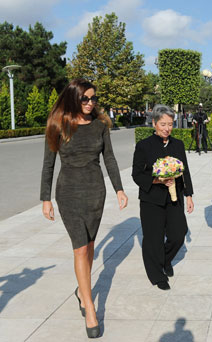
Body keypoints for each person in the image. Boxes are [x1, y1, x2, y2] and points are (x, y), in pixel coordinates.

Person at [40, 79, 128, 338]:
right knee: (80, 248)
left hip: (94, 192)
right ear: (73, 99)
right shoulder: (58, 125)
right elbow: (48, 164)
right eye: (85, 99)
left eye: (93, 98)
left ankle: (82, 290)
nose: (90, 103)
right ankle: (89, 307)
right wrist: (45, 198)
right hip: (68, 193)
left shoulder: (101, 125)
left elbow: (109, 158)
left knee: (89, 247)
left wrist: (119, 189)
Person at [132, 105, 194, 291]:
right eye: (163, 124)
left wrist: (189, 195)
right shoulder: (144, 146)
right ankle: (157, 275)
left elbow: (185, 171)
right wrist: (157, 180)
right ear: (154, 123)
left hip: (174, 198)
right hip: (152, 199)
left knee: (178, 234)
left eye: (170, 124)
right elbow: (136, 174)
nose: (167, 128)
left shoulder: (178, 145)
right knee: (153, 239)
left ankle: (166, 260)